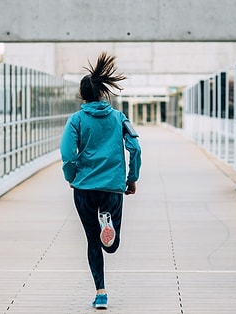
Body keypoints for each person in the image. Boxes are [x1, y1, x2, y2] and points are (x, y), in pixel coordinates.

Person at [60, 52, 141, 310]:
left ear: (83, 96)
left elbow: (66, 154)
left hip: (84, 187)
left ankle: (101, 293)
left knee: (93, 240)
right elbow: (135, 148)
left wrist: (72, 177)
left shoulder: (76, 120)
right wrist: (132, 178)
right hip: (112, 186)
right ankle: (108, 223)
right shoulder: (119, 118)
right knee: (111, 245)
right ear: (103, 93)